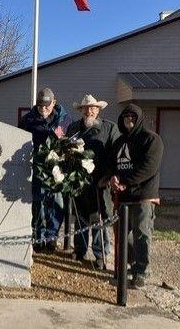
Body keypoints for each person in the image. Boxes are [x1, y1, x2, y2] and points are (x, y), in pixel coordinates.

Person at [100, 103, 163, 288]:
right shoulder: (120, 142)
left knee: (141, 233)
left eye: (133, 116)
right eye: (126, 116)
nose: (129, 119)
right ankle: (131, 265)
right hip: (122, 197)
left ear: (139, 119)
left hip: (143, 195)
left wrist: (126, 182)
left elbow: (149, 168)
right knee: (122, 235)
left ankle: (141, 272)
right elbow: (112, 164)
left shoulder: (151, 139)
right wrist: (111, 178)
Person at [66, 94, 120, 269]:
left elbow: (116, 155)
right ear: (81, 110)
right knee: (80, 217)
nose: (90, 111)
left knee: (99, 218)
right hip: (79, 181)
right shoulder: (74, 127)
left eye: (93, 108)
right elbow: (66, 151)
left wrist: (108, 176)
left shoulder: (109, 128)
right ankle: (79, 250)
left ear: (98, 110)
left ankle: (100, 254)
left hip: (100, 181)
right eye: (86, 108)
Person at [19, 87, 71, 253]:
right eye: (40, 105)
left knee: (56, 204)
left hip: (58, 170)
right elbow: (18, 140)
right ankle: (38, 238)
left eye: (47, 105)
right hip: (37, 168)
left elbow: (72, 142)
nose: (43, 108)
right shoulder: (28, 120)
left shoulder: (65, 119)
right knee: (38, 204)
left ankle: (51, 238)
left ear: (53, 103)